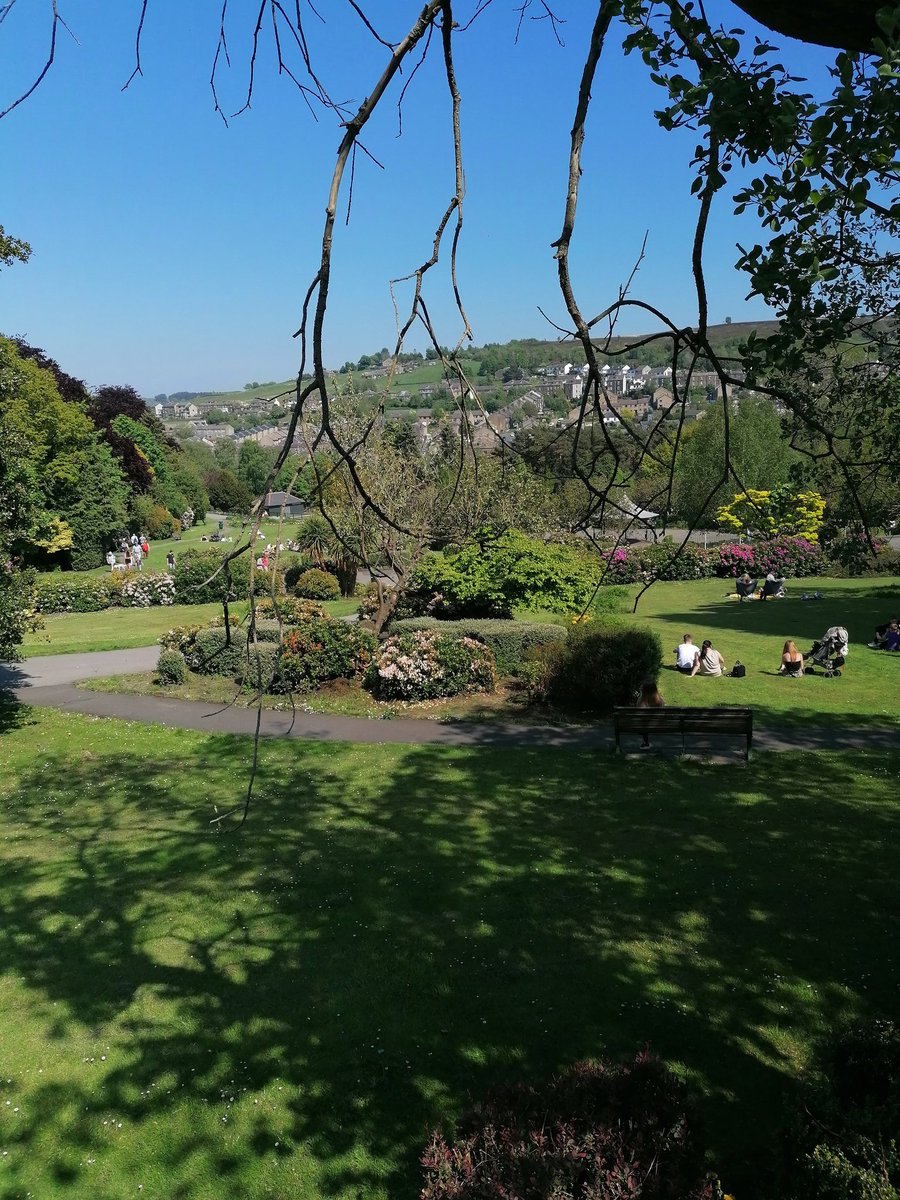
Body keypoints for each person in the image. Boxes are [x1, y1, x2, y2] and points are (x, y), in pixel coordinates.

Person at [637, 680, 664, 748]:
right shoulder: (659, 700)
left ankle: (646, 743)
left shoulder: (642, 700)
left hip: (645, 725)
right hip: (660, 724)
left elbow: (639, 712)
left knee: (643, 722)